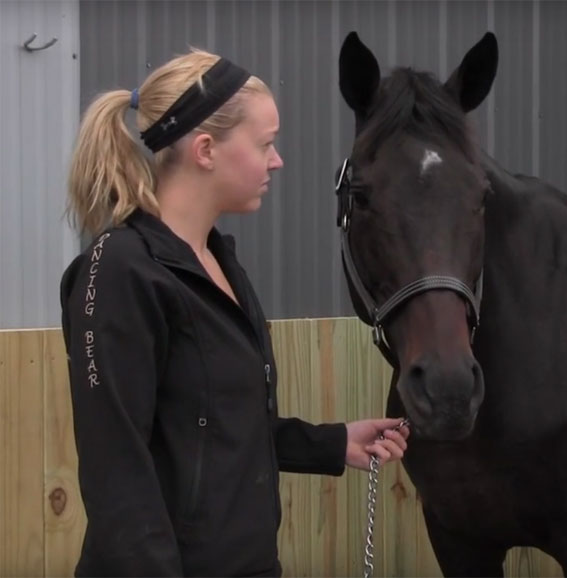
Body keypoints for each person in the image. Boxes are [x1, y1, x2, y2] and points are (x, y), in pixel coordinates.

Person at [60, 49, 410, 577]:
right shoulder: (120, 274)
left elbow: (220, 428)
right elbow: (118, 475)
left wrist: (333, 443)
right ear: (205, 150)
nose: (277, 160)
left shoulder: (220, 262)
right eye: (266, 143)